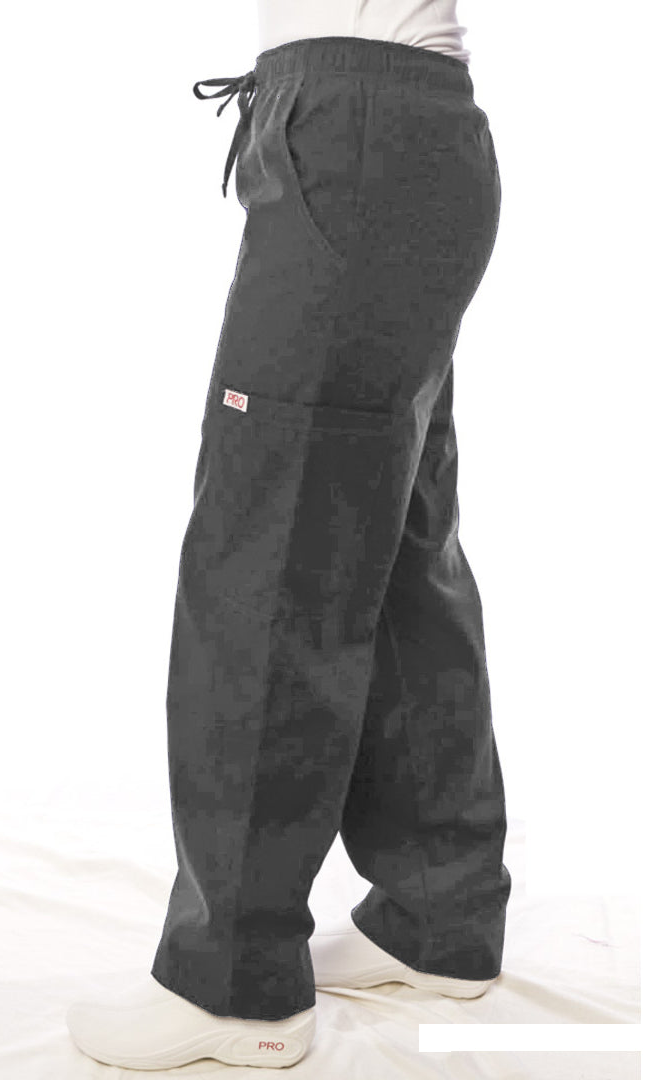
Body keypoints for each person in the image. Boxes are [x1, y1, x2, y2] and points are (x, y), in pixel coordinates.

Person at [66, 2, 511, 1069]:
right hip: (386, 131)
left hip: (357, 132)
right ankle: (437, 915)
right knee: (395, 548)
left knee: (267, 557)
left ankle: (235, 988)